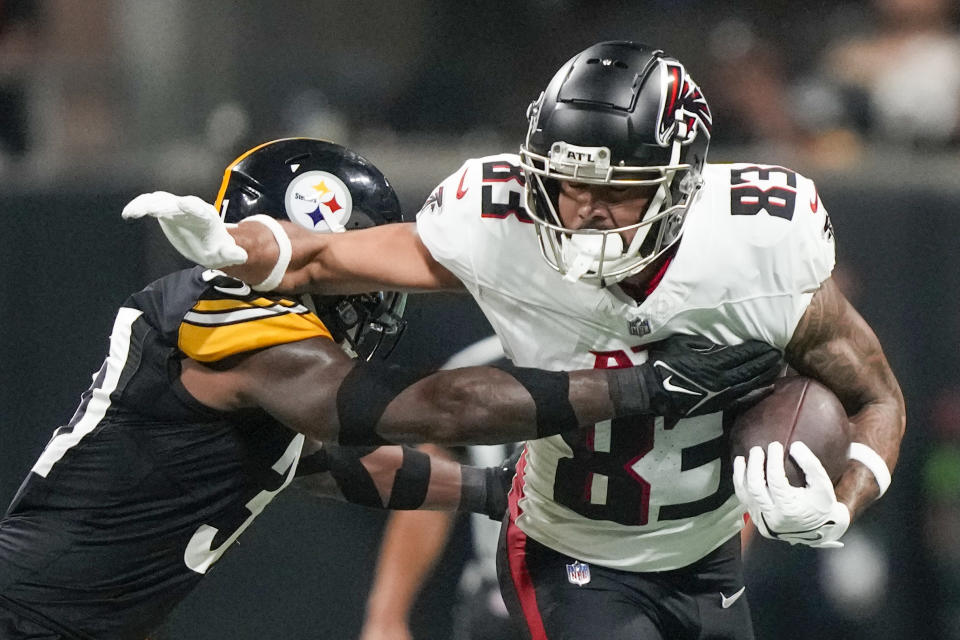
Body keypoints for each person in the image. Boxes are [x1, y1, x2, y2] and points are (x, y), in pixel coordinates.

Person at [126, 40, 906, 640]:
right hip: (571, 556)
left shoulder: (754, 246)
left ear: (678, 184)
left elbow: (877, 394)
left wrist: (842, 503)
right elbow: (331, 253)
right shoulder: (503, 222)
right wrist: (246, 245)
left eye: (617, 190)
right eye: (570, 185)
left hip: (705, 559)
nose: (587, 210)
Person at [0, 137, 779, 640]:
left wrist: (491, 490)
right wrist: (644, 388)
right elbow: (407, 411)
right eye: (340, 261)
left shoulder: (243, 351)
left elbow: (320, 460)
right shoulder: (230, 316)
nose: (359, 283)